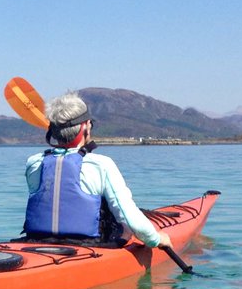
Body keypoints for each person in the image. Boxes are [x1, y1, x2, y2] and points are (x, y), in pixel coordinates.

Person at [23, 92, 174, 250]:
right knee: (127, 228)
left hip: (35, 243)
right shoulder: (100, 164)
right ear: (86, 126)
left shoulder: (35, 162)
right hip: (88, 246)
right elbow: (132, 221)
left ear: (53, 130)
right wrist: (157, 239)